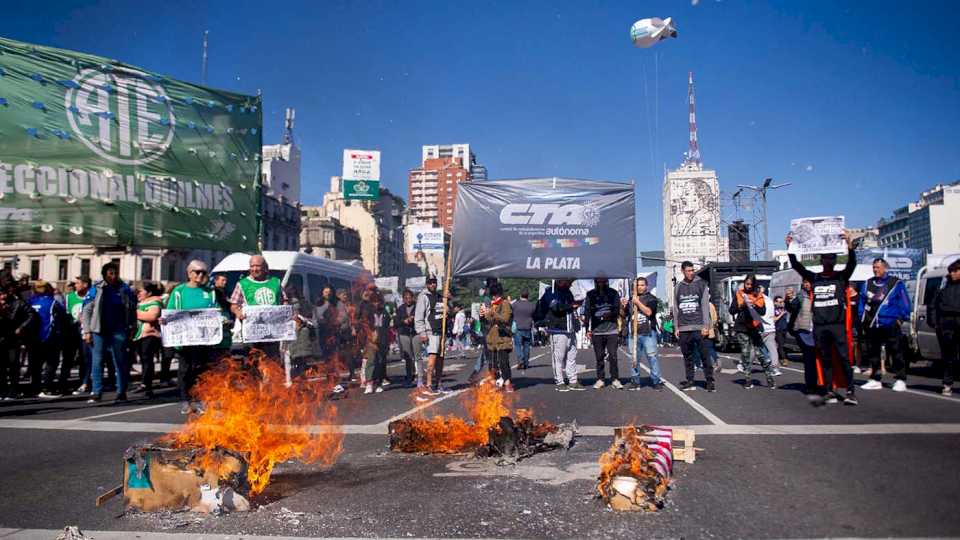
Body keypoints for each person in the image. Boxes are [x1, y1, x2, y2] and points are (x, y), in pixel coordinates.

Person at [786, 230, 858, 405]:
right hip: (820, 326)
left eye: (831, 258)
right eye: (825, 258)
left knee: (843, 358)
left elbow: (852, 264)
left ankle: (850, 391)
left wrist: (849, 245)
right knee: (825, 359)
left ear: (834, 261)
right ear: (821, 260)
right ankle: (829, 390)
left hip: (837, 325)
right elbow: (797, 266)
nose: (828, 261)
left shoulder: (840, 277)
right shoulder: (814, 278)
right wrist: (790, 247)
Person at [164, 260, 220, 414]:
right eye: (198, 272)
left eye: (204, 272)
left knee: (202, 370)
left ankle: (202, 399)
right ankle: (185, 400)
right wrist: (164, 321)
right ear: (189, 274)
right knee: (185, 370)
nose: (201, 275)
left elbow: (216, 312)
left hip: (204, 339)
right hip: (184, 340)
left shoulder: (210, 292)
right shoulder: (179, 291)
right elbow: (170, 312)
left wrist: (222, 319)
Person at [81, 262, 137, 404]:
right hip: (99, 329)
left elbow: (132, 309)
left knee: (119, 361)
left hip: (118, 329)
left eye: (115, 273)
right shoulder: (97, 289)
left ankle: (121, 391)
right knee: (97, 360)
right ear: (105, 274)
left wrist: (132, 327)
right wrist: (87, 331)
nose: (113, 276)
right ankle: (96, 391)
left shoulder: (124, 289)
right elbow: (87, 311)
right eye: (110, 273)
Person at [858, 258, 912, 392]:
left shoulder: (895, 283)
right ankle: (875, 379)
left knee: (896, 351)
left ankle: (900, 379)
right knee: (873, 352)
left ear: (885, 268)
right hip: (872, 324)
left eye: (878, 267)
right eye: (874, 267)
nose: (875, 270)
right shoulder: (867, 283)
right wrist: (862, 318)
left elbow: (904, 301)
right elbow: (862, 302)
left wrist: (901, 318)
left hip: (890, 322)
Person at [229, 254, 287, 358]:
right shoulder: (242, 284)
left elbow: (285, 301)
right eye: (252, 266)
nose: (254, 269)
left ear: (265, 268)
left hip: (273, 333)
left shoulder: (276, 282)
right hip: (252, 332)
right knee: (254, 361)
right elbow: (233, 305)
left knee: (272, 362)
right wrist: (238, 312)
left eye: (257, 266)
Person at [535, 279, 585, 392]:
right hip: (557, 329)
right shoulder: (550, 292)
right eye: (566, 280)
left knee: (572, 356)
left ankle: (573, 380)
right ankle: (560, 381)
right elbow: (555, 307)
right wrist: (572, 306)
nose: (569, 282)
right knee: (558, 357)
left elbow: (574, 303)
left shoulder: (568, 291)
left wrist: (576, 304)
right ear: (558, 280)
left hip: (570, 329)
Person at [673, 261, 716, 392]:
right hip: (684, 328)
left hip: (699, 327)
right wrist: (676, 327)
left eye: (692, 270)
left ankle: (709, 381)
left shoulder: (701, 285)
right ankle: (690, 380)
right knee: (688, 356)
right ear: (683, 271)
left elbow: (704, 306)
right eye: (688, 271)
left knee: (705, 355)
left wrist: (706, 326)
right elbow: (676, 309)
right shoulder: (678, 287)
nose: (691, 273)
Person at [729, 274, 776, 389]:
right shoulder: (739, 294)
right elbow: (732, 310)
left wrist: (753, 304)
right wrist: (742, 305)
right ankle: (748, 379)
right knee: (745, 354)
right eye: (747, 284)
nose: (748, 286)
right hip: (742, 327)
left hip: (755, 327)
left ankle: (770, 378)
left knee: (761, 354)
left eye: (751, 284)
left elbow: (763, 311)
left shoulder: (758, 295)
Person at [26, 281, 67, 398]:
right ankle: (46, 387)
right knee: (51, 363)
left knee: (35, 364)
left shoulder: (30, 301)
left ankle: (35, 388)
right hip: (49, 337)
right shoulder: (53, 302)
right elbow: (63, 316)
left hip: (33, 338)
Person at [927, 258, 960, 396]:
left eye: (955, 271)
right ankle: (947, 384)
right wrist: (935, 323)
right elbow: (932, 305)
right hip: (946, 324)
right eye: (951, 271)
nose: (952, 273)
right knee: (948, 356)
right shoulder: (942, 286)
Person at [0, 283, 39, 400]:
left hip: (13, 338)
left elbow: (31, 315)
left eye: (3, 293)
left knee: (13, 364)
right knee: (1, 366)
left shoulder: (18, 303)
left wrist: (21, 327)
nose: (2, 296)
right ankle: (2, 390)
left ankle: (13, 390)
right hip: (1, 338)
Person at [583, 278, 622, 389]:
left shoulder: (613, 293)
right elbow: (587, 312)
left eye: (603, 281)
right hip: (597, 331)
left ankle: (615, 379)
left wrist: (609, 315)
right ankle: (600, 379)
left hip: (611, 330)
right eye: (598, 281)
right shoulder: (590, 294)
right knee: (599, 356)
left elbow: (617, 309)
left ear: (606, 281)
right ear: (595, 282)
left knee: (613, 356)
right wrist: (587, 329)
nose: (600, 283)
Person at [626, 276, 662, 390]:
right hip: (634, 334)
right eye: (638, 285)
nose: (640, 287)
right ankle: (635, 380)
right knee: (634, 358)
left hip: (648, 333)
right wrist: (623, 305)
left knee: (652, 357)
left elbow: (649, 312)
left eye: (642, 285)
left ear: (646, 286)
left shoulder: (651, 298)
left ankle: (656, 380)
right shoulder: (631, 299)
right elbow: (624, 315)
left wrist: (638, 303)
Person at [787, 282, 820, 396]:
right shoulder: (801, 296)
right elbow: (791, 308)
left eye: (809, 282)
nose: (807, 285)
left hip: (819, 331)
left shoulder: (819, 294)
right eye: (805, 282)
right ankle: (811, 385)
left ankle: (823, 384)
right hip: (804, 331)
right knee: (809, 358)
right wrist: (788, 300)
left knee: (821, 359)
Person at [414, 277, 446, 394]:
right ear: (427, 284)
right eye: (430, 283)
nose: (433, 284)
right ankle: (429, 384)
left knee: (440, 359)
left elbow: (445, 311)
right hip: (431, 331)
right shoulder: (423, 297)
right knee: (432, 359)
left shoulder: (440, 296)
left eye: (434, 282)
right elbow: (419, 316)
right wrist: (422, 332)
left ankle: (439, 383)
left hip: (441, 331)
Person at [132, 282, 164, 399]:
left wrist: (134, 313)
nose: (138, 293)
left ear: (149, 292)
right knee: (143, 360)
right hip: (139, 335)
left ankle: (147, 385)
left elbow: (152, 316)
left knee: (147, 360)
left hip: (150, 335)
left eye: (140, 291)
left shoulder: (155, 301)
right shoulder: (140, 303)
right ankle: (144, 383)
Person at [483, 282, 514, 392]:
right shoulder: (492, 304)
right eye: (492, 294)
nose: (493, 297)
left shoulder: (505, 303)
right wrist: (484, 315)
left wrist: (493, 313)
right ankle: (494, 382)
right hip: (492, 338)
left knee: (503, 362)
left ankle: (508, 383)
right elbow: (488, 321)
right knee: (492, 363)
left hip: (502, 338)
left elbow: (505, 319)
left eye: (494, 294)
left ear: (498, 294)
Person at [65, 276, 92, 395]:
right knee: (68, 358)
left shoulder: (92, 297)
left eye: (78, 283)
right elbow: (67, 314)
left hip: (86, 332)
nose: (75, 286)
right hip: (72, 332)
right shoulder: (69, 297)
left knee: (85, 358)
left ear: (85, 285)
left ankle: (84, 382)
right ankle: (63, 383)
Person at [395, 289, 420, 388]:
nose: (408, 300)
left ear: (413, 298)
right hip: (404, 333)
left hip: (415, 332)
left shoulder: (418, 307)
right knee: (408, 356)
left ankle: (420, 377)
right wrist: (403, 321)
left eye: (410, 297)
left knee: (418, 355)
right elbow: (396, 322)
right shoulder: (400, 308)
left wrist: (413, 318)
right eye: (406, 298)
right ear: (403, 299)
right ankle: (409, 376)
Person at [512, 291, 535, 371]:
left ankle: (521, 359)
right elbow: (534, 315)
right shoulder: (532, 305)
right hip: (527, 327)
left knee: (518, 345)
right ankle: (526, 363)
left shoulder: (515, 304)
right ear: (528, 296)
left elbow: (510, 313)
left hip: (518, 327)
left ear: (520, 295)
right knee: (526, 346)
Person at [773, 296, 790, 367]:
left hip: (784, 329)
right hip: (778, 329)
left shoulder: (783, 309)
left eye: (782, 302)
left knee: (782, 344)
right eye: (779, 302)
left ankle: (775, 357)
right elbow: (774, 319)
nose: (781, 303)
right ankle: (784, 359)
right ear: (775, 302)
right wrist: (781, 314)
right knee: (780, 345)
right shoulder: (773, 310)